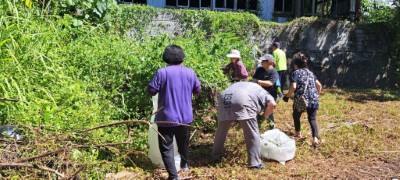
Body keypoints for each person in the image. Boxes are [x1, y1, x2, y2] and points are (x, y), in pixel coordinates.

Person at [148, 45, 201, 180]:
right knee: (184, 143)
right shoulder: (190, 72)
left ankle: (173, 176)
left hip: (166, 117)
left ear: (166, 58)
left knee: (166, 148)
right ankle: (185, 165)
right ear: (182, 57)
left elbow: (152, 90)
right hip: (185, 117)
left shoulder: (162, 72)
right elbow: (197, 90)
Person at [212, 82, 276, 169]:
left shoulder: (242, 84)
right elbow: (272, 104)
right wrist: (263, 117)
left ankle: (215, 157)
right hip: (243, 100)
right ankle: (254, 163)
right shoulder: (263, 91)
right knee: (252, 133)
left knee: (221, 131)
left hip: (224, 98)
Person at [282, 55, 322, 148]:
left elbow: (293, 87)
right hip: (314, 99)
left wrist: (287, 96)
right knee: (312, 119)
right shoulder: (310, 73)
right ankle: (315, 139)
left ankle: (298, 133)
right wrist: (316, 96)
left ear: (296, 65)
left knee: (296, 115)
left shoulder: (295, 73)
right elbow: (319, 86)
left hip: (302, 99)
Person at [251, 54, 279, 129]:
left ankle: (271, 127)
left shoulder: (274, 72)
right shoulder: (260, 70)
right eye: (262, 61)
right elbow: (254, 79)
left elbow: (270, 83)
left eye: (263, 61)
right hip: (260, 94)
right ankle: (258, 125)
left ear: (269, 62)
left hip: (271, 95)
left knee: (269, 112)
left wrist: (258, 81)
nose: (262, 62)